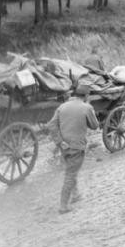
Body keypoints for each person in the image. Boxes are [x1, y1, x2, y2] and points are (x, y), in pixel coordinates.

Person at [48, 84, 99, 214]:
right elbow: (95, 126)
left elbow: (52, 125)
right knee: (70, 175)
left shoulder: (62, 107)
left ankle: (75, 195)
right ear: (86, 96)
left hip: (64, 147)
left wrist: (59, 142)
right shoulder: (87, 107)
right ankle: (63, 206)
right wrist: (90, 111)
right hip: (77, 146)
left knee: (71, 169)